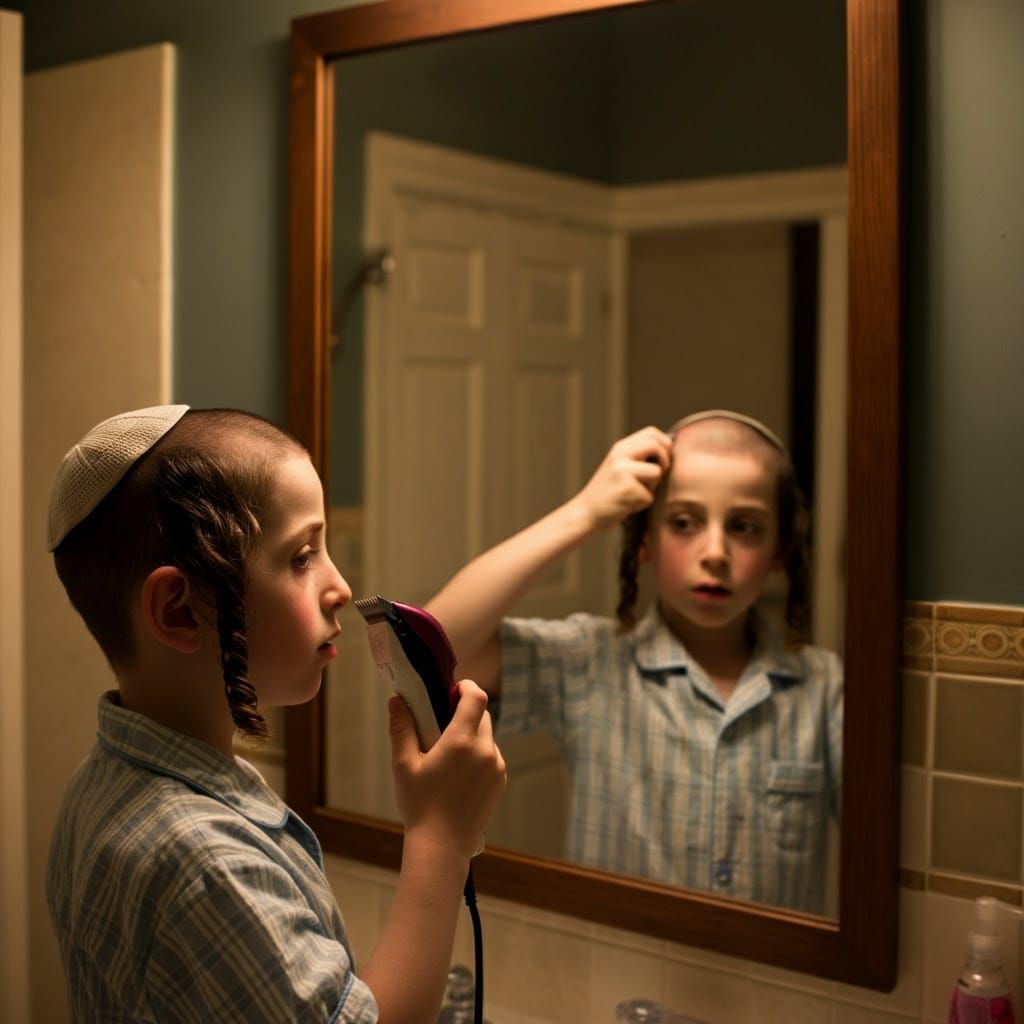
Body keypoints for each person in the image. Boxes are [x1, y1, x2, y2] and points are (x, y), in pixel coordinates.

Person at [45, 404, 506, 1023]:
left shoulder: (102, 781)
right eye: (301, 557)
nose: (340, 586)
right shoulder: (206, 865)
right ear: (180, 610)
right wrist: (440, 837)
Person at [427, 410, 842, 913]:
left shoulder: (823, 689)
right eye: (684, 523)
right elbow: (434, 644)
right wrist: (584, 513)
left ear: (780, 550)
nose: (715, 552)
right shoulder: (590, 665)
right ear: (644, 541)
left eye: (745, 527)